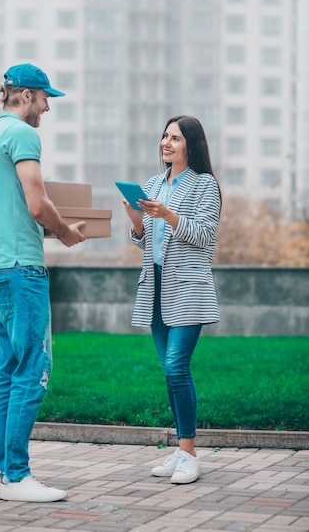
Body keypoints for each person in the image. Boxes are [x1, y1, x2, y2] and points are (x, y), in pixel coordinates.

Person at [0, 63, 86, 502]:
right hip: (23, 270)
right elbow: (38, 204)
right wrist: (66, 233)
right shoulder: (23, 134)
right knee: (34, 368)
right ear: (24, 95)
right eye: (45, 98)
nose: (47, 107)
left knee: (6, 367)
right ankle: (18, 477)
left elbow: (22, 210)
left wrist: (52, 224)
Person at [123, 115, 221, 484]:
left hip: (189, 286)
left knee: (177, 366)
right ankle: (180, 451)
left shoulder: (204, 185)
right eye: (164, 136)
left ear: (190, 145)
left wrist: (168, 214)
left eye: (175, 138)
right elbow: (146, 241)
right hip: (156, 285)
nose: (166, 143)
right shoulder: (151, 184)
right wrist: (136, 220)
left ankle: (190, 455)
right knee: (169, 370)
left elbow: (204, 235)